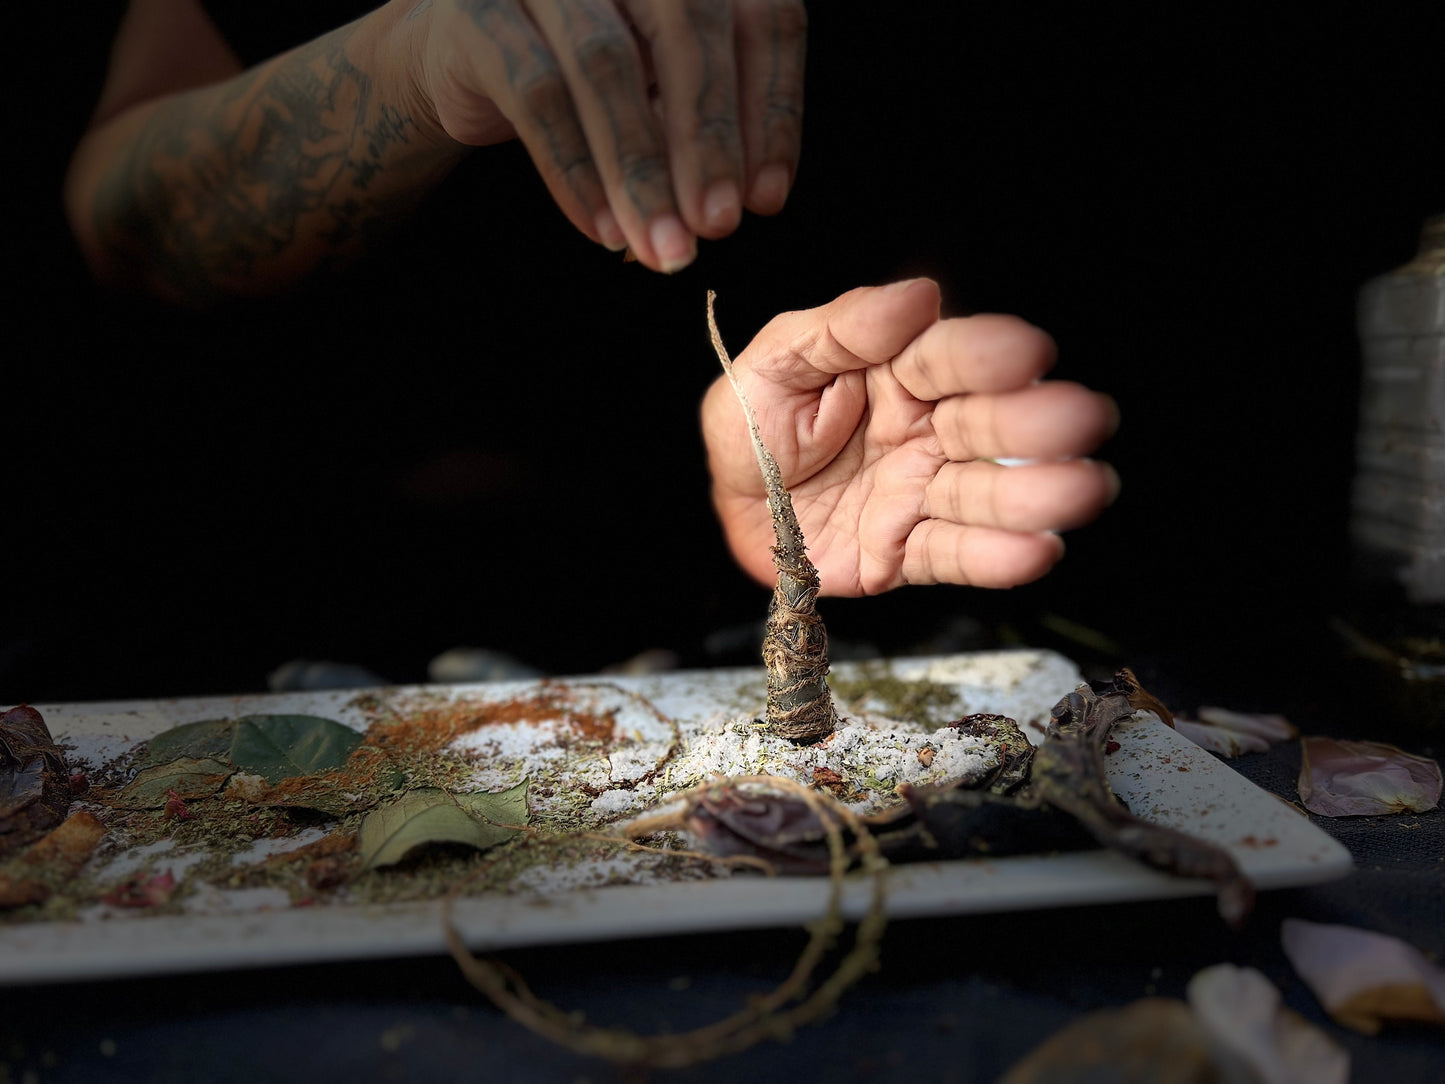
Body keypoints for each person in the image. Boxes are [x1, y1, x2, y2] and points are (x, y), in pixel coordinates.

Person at [63, 0, 1119, 618]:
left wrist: (897, 419)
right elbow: (121, 230)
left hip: (829, 569)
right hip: (274, 584)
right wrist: (406, 64)